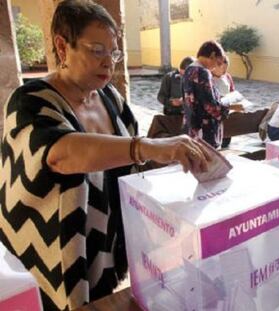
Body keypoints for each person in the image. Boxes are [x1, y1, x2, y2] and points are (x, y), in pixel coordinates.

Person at [0, 1, 210, 310]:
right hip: (49, 260)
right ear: (62, 45)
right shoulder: (29, 102)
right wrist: (145, 147)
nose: (108, 63)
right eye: (97, 50)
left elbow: (131, 166)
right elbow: (61, 154)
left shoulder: (111, 98)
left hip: (105, 254)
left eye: (114, 53)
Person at [183, 41, 241, 148]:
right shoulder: (203, 72)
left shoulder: (189, 69)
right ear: (212, 55)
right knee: (208, 162)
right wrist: (232, 106)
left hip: (192, 126)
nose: (216, 67)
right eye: (218, 63)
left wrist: (218, 97)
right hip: (205, 132)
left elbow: (198, 98)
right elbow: (212, 107)